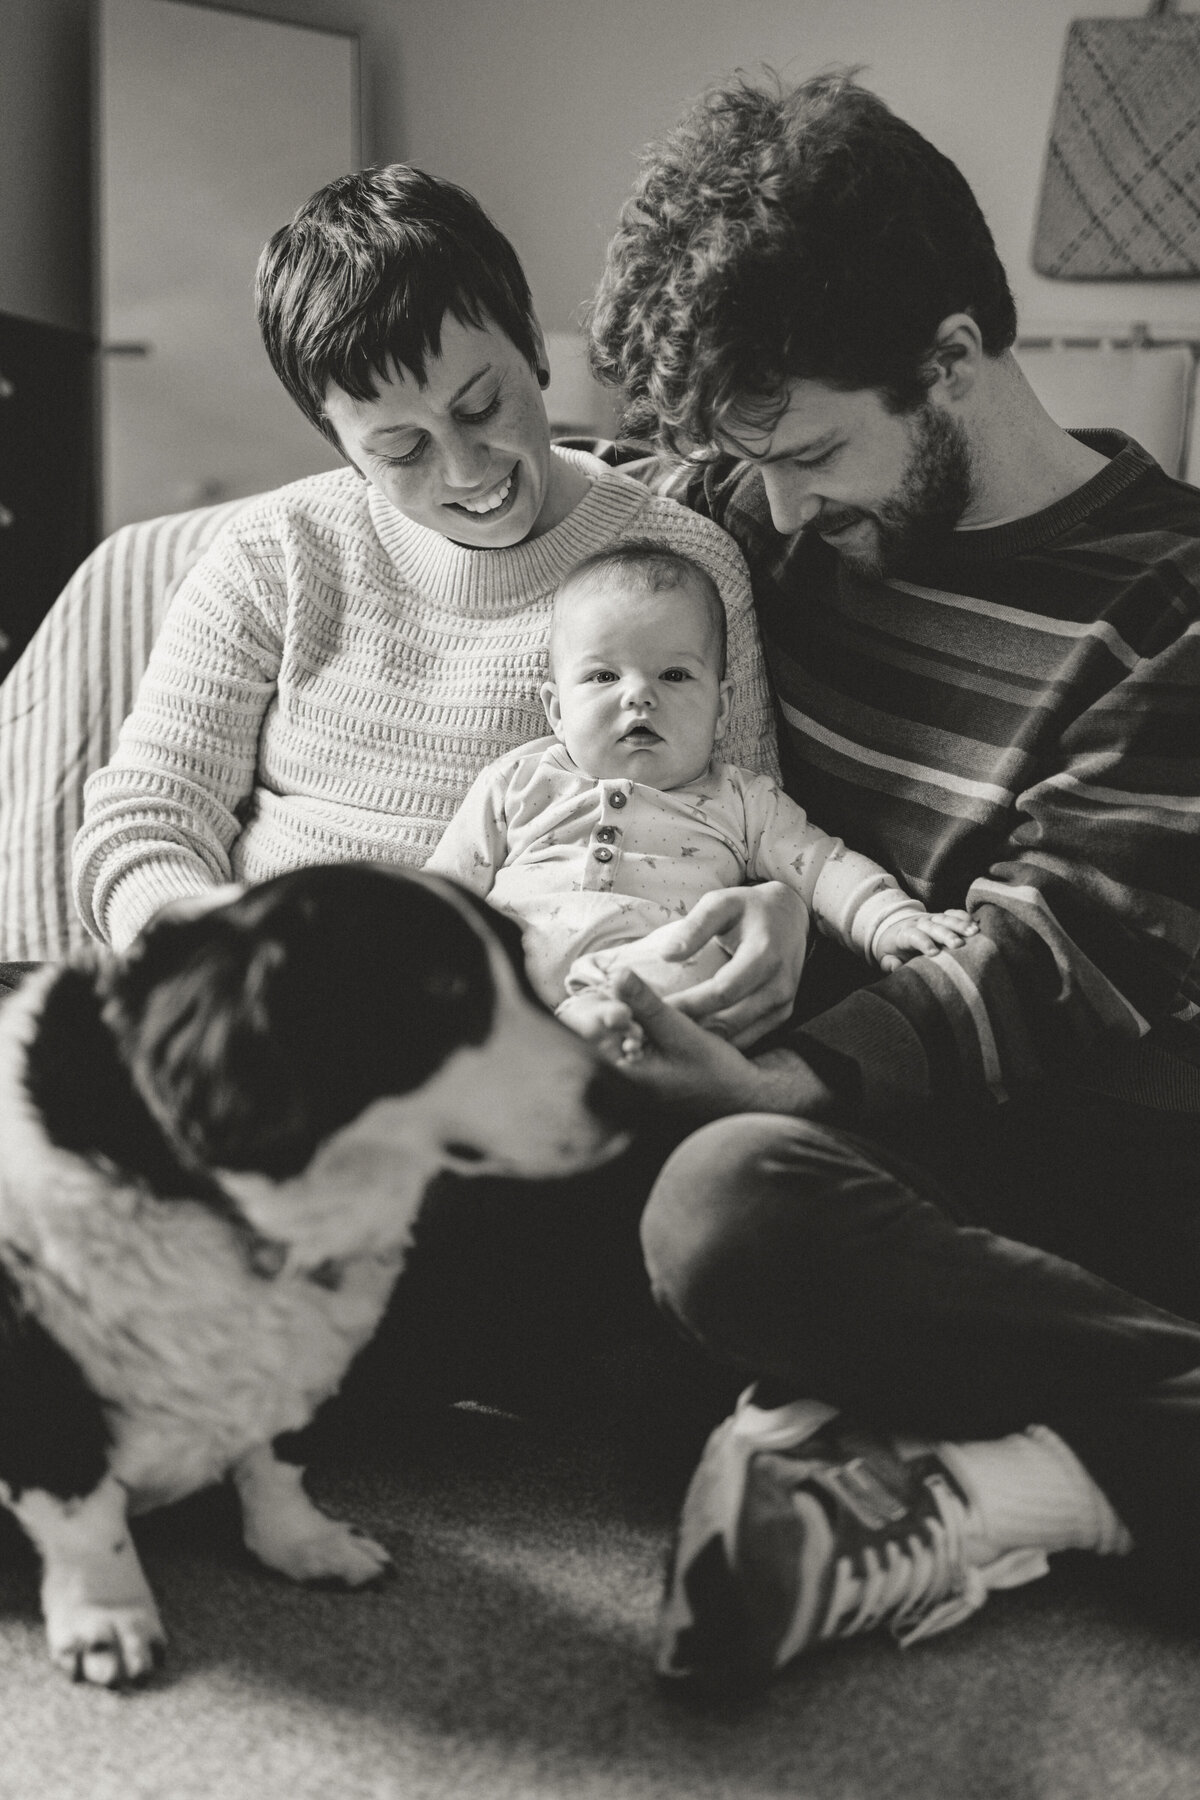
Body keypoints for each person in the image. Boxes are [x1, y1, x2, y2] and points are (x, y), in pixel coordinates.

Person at [586, 70, 1200, 1690]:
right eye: (745, 459)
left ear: (950, 358)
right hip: (769, 1099)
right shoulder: (750, 513)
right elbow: (535, 507)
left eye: (809, 452)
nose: (774, 509)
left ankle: (1054, 1444)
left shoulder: (1171, 597)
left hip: (1037, 1134)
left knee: (722, 1216)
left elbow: (1049, 958)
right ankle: (992, 1464)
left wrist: (769, 1076)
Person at [71, 163, 782, 962]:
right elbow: (144, 822)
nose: (467, 470)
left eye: (481, 406)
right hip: (257, 995)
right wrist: (229, 968)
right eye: (401, 448)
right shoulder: (272, 554)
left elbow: (750, 840)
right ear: (337, 443)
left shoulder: (684, 569)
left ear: (531, 346)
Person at [428, 537, 976, 1060]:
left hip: (657, 974)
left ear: (721, 708)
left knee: (706, 962)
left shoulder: (742, 799)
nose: (639, 694)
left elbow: (823, 868)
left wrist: (893, 921)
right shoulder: (519, 778)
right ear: (555, 710)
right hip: (514, 967)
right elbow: (446, 885)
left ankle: (598, 1029)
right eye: (602, 675)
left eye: (674, 674)